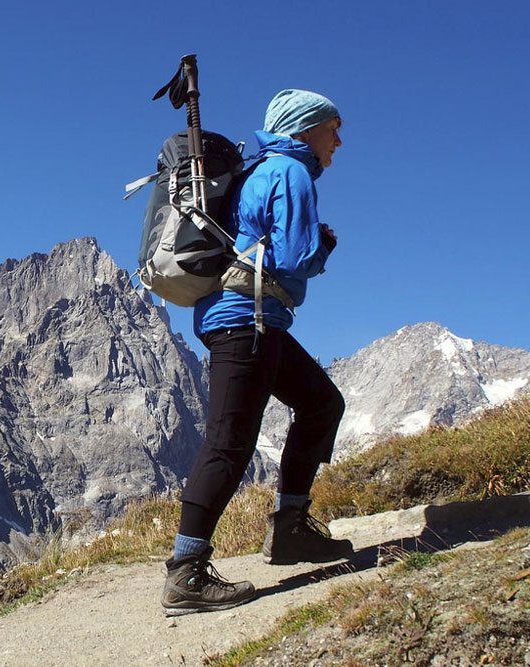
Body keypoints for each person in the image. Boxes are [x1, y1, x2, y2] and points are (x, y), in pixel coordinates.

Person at [161, 89, 353, 616]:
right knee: (229, 444)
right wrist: (325, 244)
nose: (339, 138)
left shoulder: (259, 169)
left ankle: (290, 531)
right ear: (303, 129)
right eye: (331, 126)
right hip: (246, 320)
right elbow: (294, 256)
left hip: (251, 318)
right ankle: (186, 574)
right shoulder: (290, 172)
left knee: (321, 404)